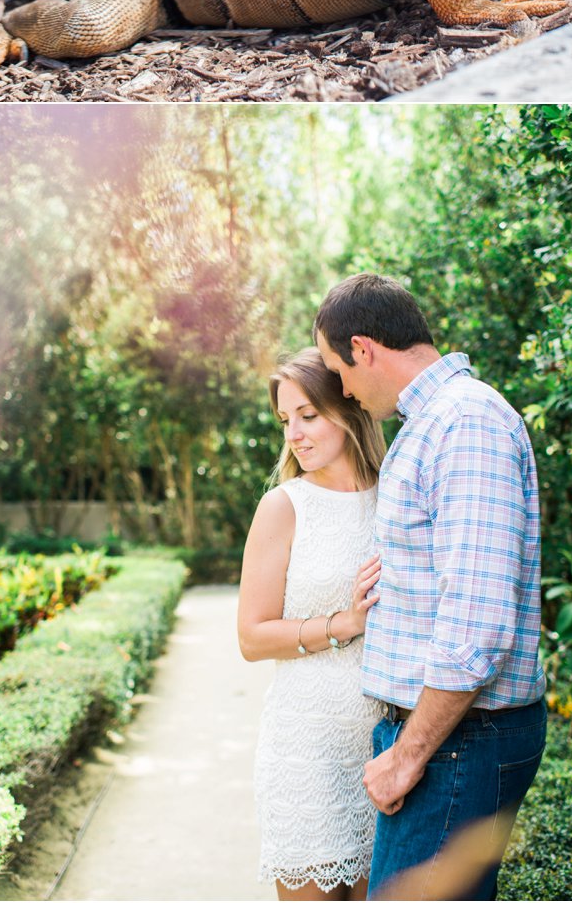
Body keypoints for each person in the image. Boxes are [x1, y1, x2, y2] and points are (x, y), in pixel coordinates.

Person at [314, 274, 546, 903]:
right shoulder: (434, 423)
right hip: (447, 734)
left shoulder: (464, 423)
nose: (344, 389)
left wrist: (409, 754)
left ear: (364, 348)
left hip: (455, 739)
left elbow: (478, 623)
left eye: (339, 369)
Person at [238, 347, 386, 901]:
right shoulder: (284, 506)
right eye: (285, 420)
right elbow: (252, 637)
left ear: (346, 406)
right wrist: (341, 623)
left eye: (308, 414)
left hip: (385, 744)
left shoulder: (396, 494)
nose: (295, 433)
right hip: (307, 748)